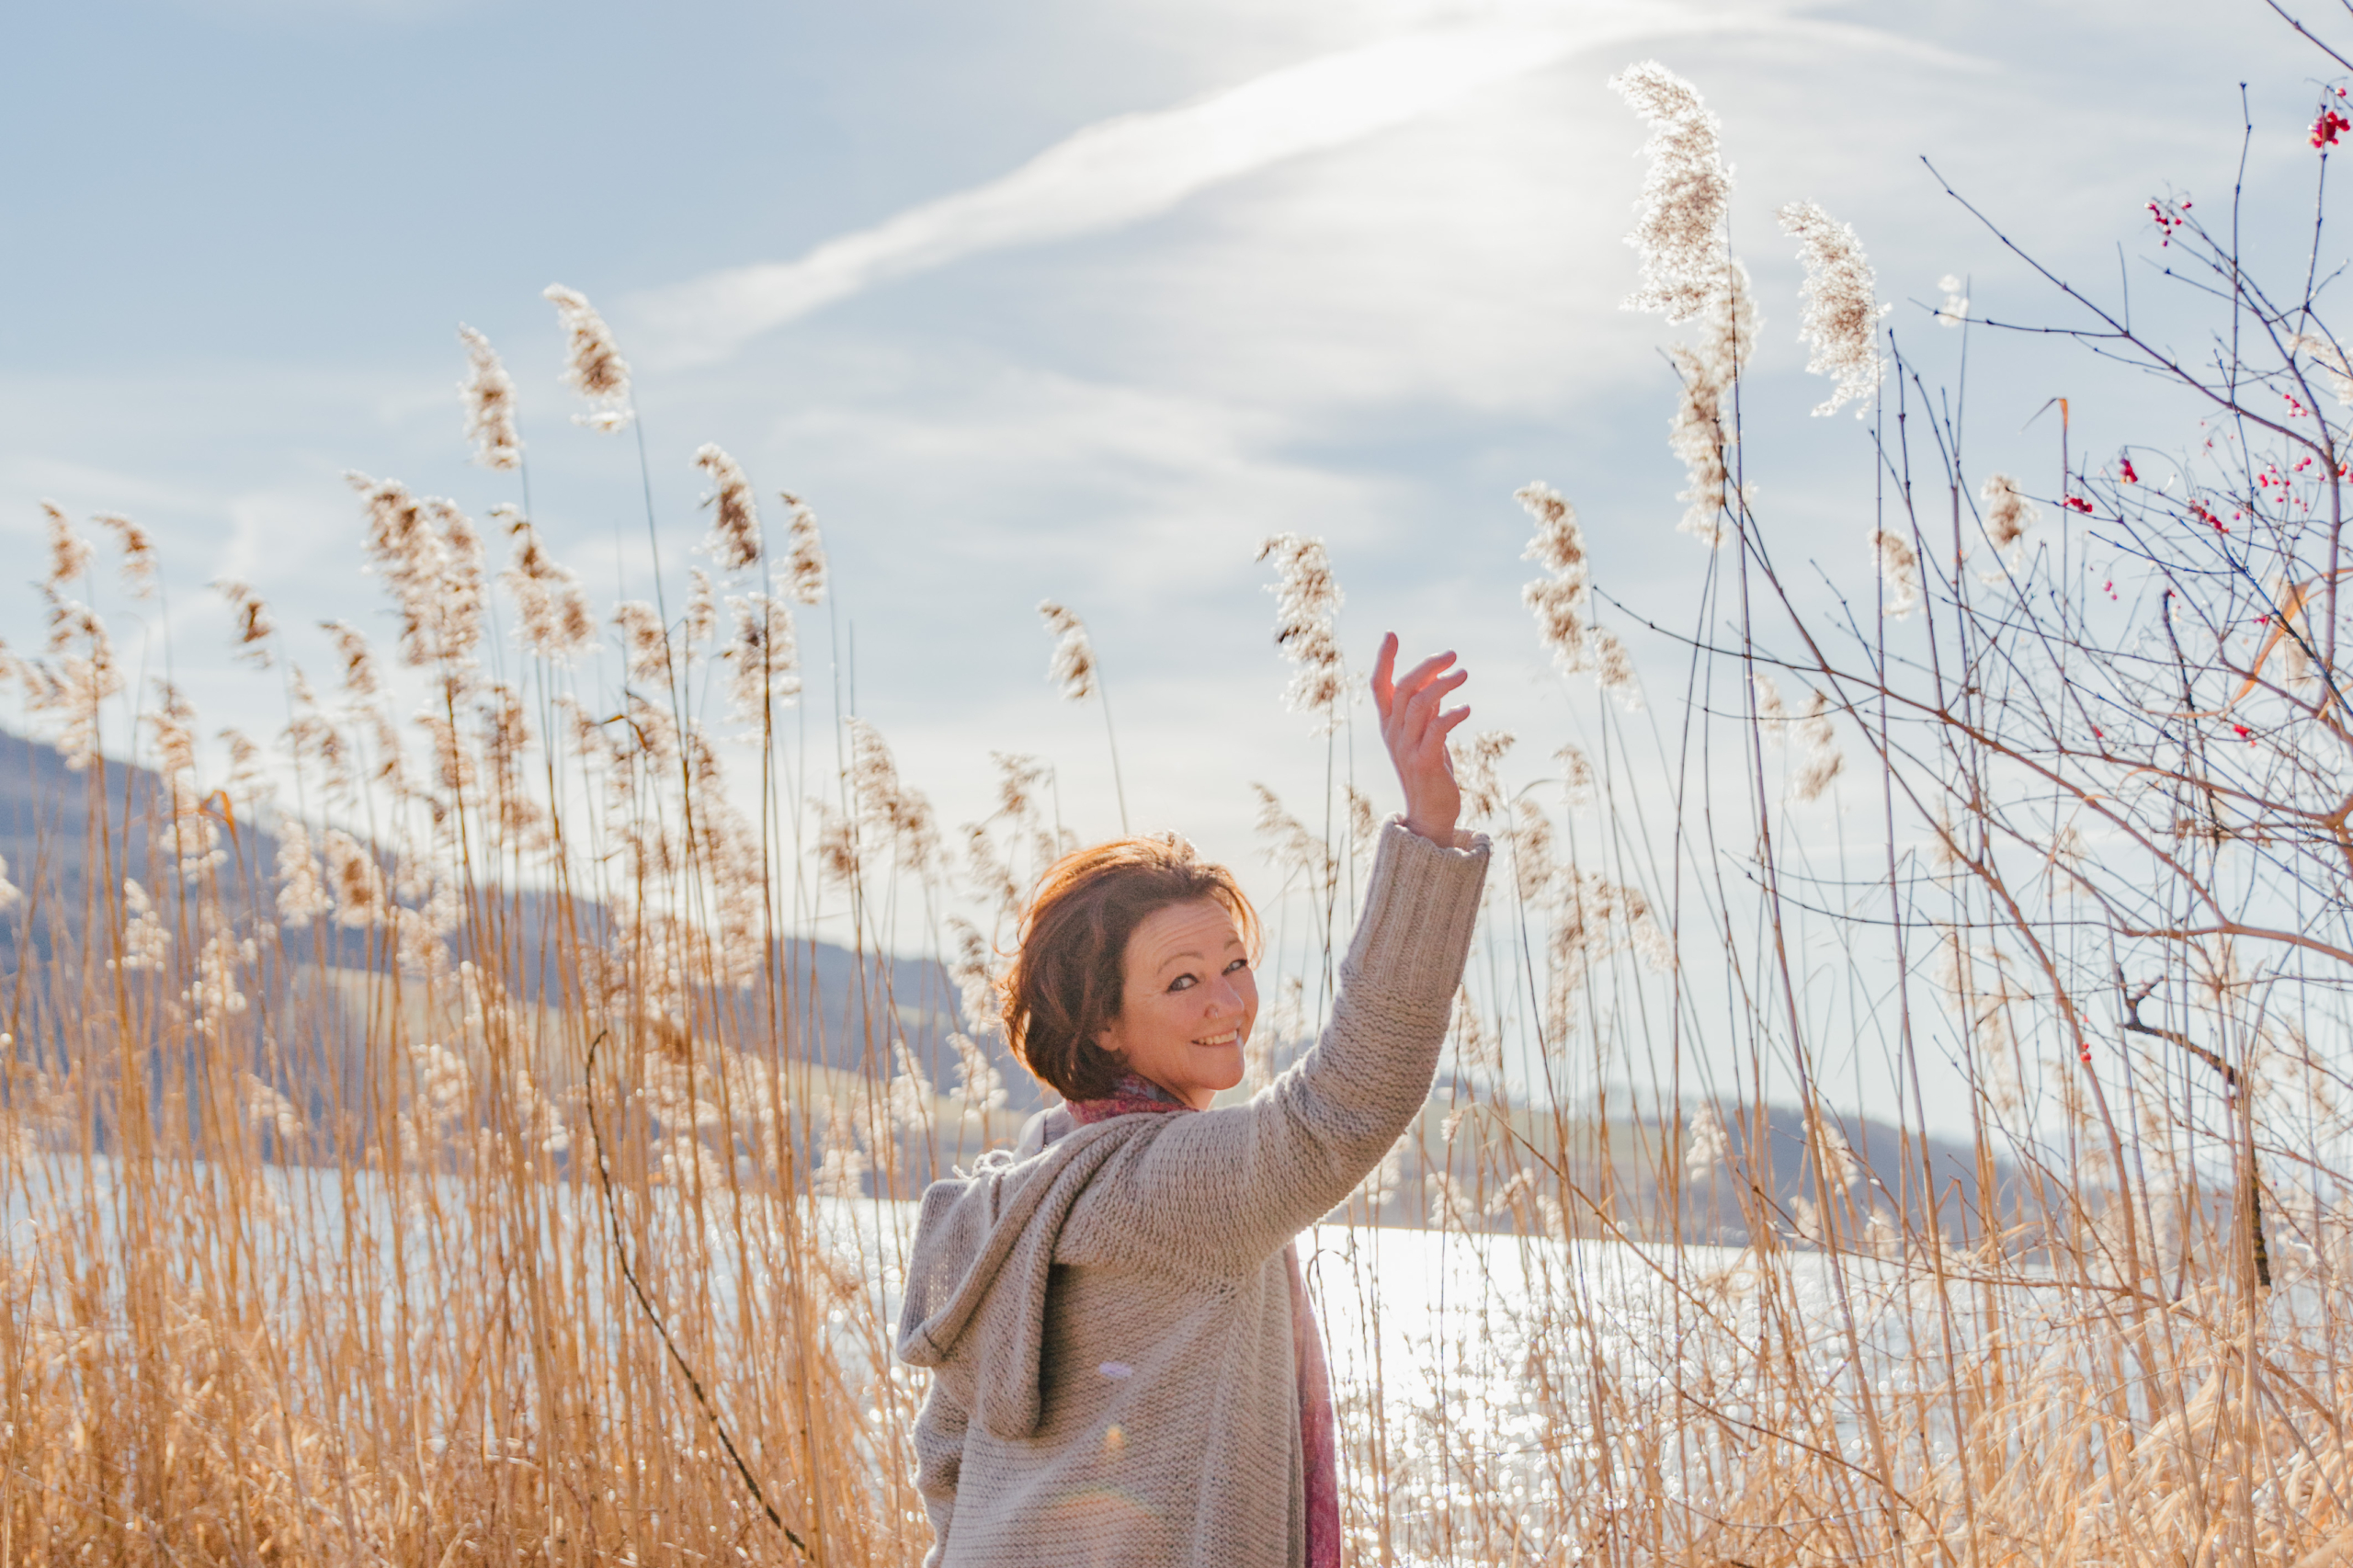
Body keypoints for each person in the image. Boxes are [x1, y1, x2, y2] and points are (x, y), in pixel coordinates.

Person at [895, 636, 1491, 1567]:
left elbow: (945, 1450)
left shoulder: (1032, 1180)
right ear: (1103, 1023)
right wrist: (1429, 834)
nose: (1227, 1002)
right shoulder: (1163, 1186)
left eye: (1234, 963)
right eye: (1181, 981)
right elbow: (1347, 1105)